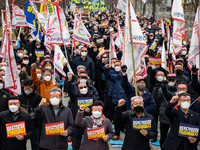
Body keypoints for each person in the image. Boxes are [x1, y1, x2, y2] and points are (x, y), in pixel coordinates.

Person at [19, 79, 42, 150]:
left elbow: (40, 111)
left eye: (29, 88)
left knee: (35, 142)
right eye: (25, 88)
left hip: (34, 123)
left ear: (32, 88)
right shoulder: (19, 97)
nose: (27, 90)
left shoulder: (38, 97)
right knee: (20, 142)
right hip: (22, 123)